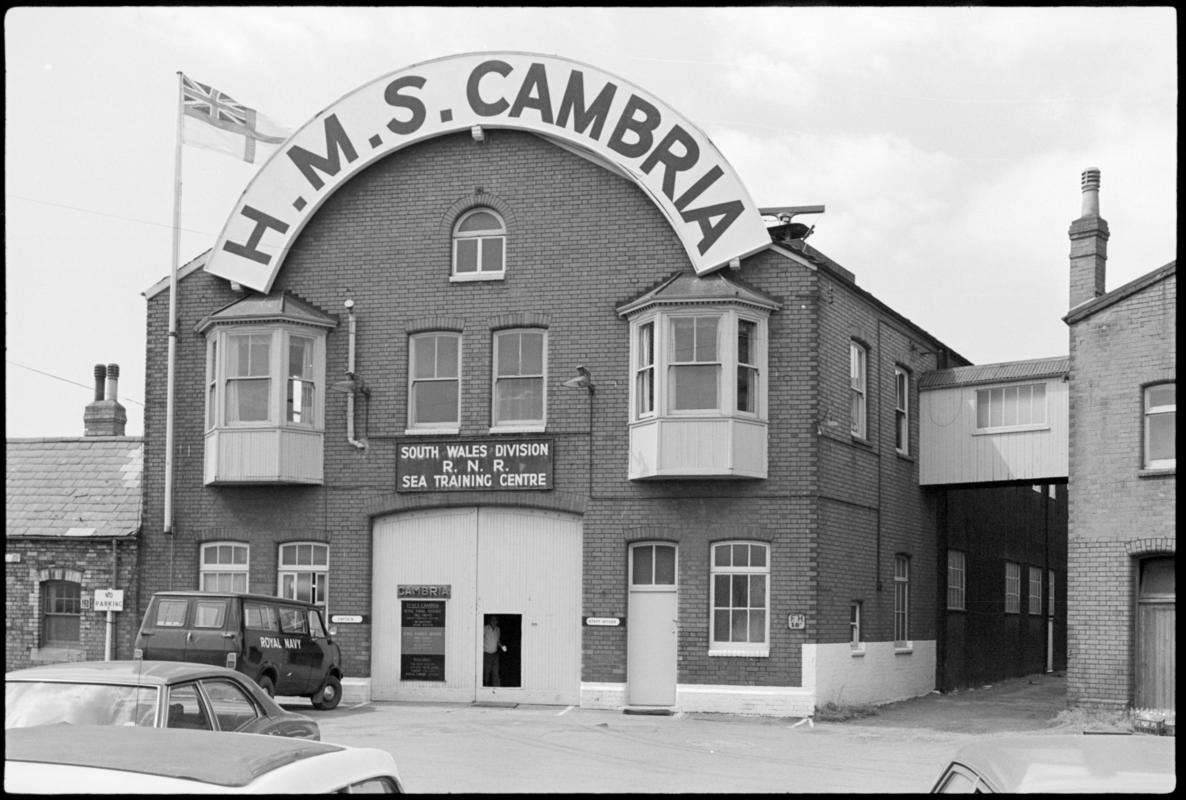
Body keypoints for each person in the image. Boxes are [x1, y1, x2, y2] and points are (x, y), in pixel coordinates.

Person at [482, 616, 506, 686]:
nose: (494, 622)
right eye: (493, 620)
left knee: (496, 672)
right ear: (490, 621)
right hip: (486, 654)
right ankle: (485, 686)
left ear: (497, 621)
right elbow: (480, 638)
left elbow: (498, 641)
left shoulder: (498, 629)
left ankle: (497, 689)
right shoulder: (485, 628)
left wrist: (502, 646)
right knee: (487, 672)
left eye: (496, 620)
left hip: (495, 654)